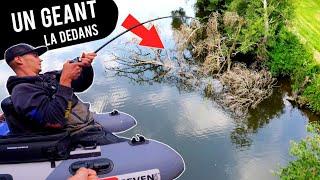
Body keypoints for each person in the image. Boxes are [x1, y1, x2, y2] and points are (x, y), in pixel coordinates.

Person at [1, 43, 120, 144]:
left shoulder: (47, 77)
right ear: (19, 59)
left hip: (85, 124)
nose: (40, 59)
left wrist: (85, 67)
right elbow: (55, 122)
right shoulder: (22, 91)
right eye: (35, 56)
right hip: (75, 136)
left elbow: (81, 85)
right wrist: (65, 80)